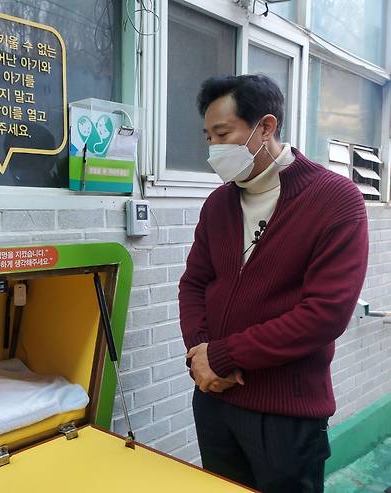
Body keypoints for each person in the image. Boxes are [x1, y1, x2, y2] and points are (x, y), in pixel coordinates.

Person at [179, 74, 368, 493]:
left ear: (266, 127)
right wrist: (200, 355)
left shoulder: (334, 199)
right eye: (208, 137)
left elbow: (325, 314)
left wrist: (225, 355)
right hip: (214, 400)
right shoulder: (218, 204)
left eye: (223, 134)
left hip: (287, 413)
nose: (213, 149)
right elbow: (194, 283)